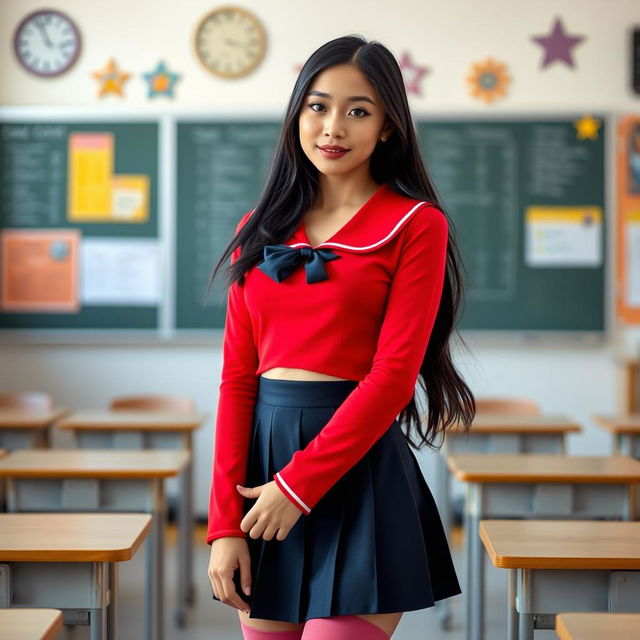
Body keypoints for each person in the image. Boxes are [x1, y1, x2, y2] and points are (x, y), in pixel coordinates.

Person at [205, 34, 475, 640]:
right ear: (297, 113)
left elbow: (393, 376)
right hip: (264, 466)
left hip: (357, 470)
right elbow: (236, 381)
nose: (333, 126)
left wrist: (296, 488)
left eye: (359, 110)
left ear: (387, 127)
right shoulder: (261, 226)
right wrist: (224, 522)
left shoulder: (415, 225)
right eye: (318, 106)